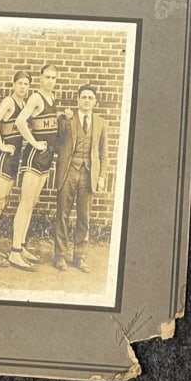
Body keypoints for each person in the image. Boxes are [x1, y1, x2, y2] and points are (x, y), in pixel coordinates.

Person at [10, 63, 68, 270]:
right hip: (34, 156)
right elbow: (19, 121)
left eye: (54, 78)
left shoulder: (52, 99)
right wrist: (33, 142)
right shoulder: (36, 97)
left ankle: (21, 245)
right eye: (47, 77)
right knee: (25, 203)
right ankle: (14, 252)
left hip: (47, 157)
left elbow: (48, 124)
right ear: (41, 78)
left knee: (32, 202)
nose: (50, 81)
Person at [53, 85, 110, 273]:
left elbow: (104, 154)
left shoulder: (101, 123)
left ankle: (80, 257)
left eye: (90, 97)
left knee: (84, 216)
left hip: (88, 173)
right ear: (78, 99)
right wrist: (62, 118)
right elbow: (57, 140)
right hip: (68, 170)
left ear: (95, 101)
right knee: (62, 214)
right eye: (83, 97)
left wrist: (101, 177)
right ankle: (60, 256)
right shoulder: (68, 119)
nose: (86, 100)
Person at [0, 70, 31, 265]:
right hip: (3, 156)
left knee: (3, 203)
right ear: (14, 84)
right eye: (20, 83)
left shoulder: (25, 105)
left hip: (14, 157)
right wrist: (0, 144)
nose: (23, 87)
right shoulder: (9, 102)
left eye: (26, 84)